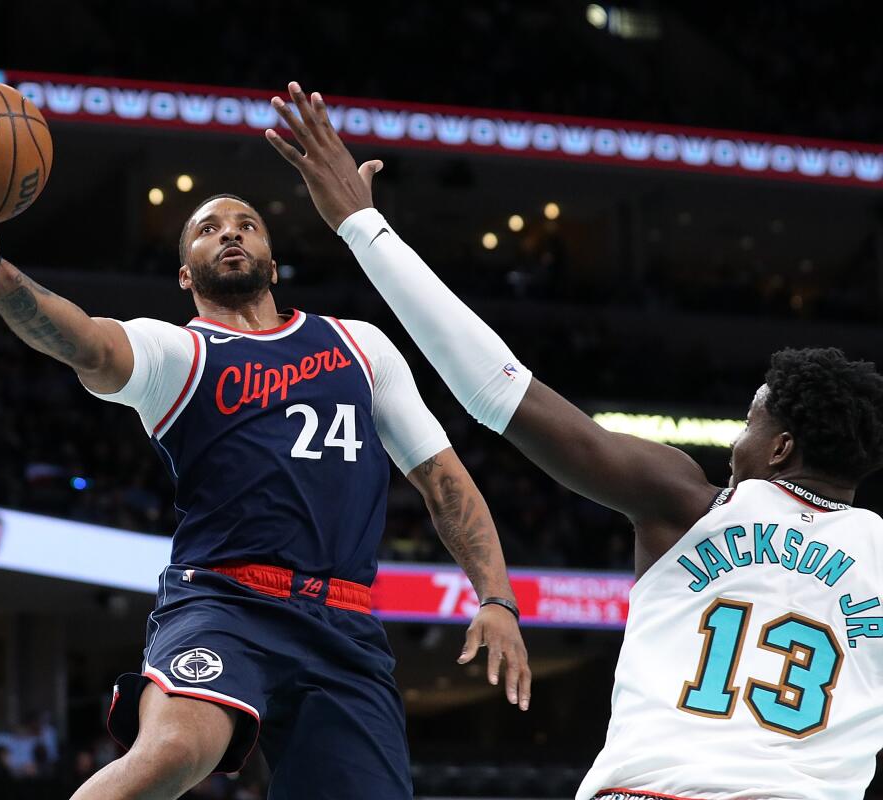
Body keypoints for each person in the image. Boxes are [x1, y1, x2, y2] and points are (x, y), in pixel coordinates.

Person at [267, 81, 883, 800]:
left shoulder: (691, 502)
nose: (737, 445)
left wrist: (363, 228)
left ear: (780, 449)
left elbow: (498, 389)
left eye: (751, 423)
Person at [0, 142, 533, 799]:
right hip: (227, 602)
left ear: (272, 260)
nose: (229, 231)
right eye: (208, 229)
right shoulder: (176, 352)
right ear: (185, 274)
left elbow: (443, 479)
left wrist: (495, 597)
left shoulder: (359, 344)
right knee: (175, 751)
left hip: (345, 626)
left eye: (246, 224)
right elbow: (81, 340)